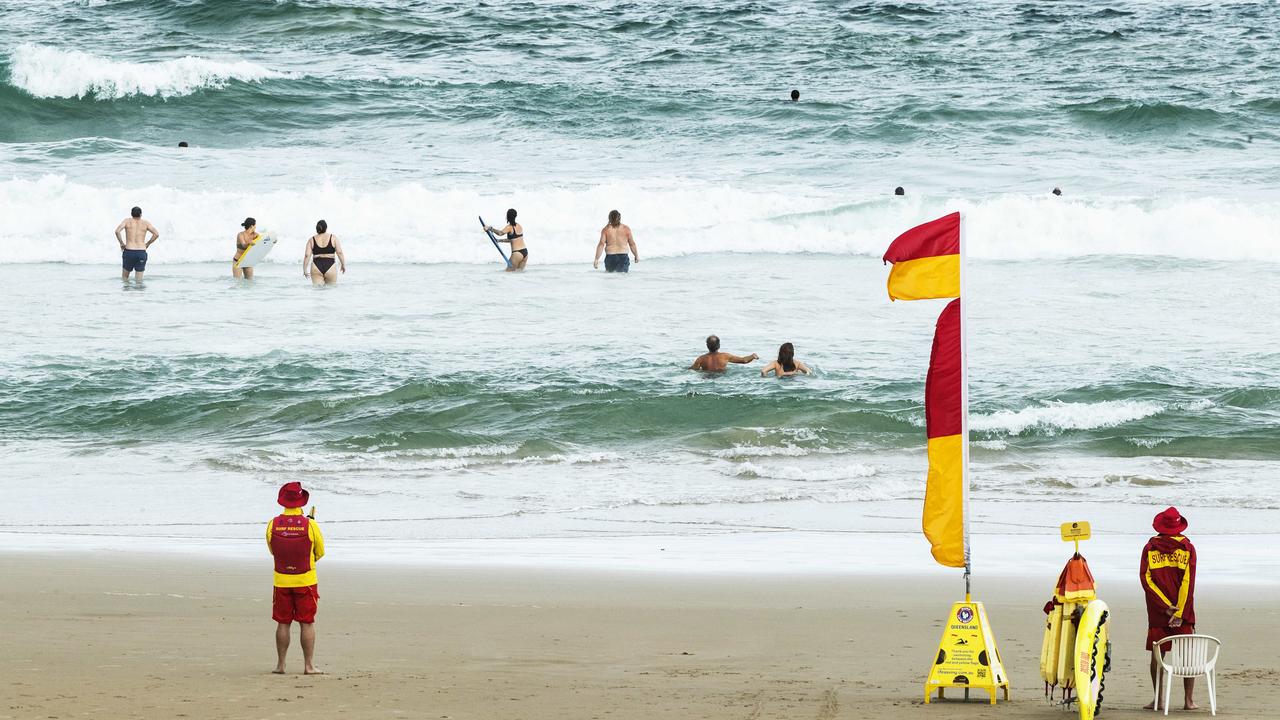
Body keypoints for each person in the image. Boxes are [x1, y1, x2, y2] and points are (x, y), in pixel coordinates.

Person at [1141, 507, 1198, 711]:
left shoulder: (1150, 548)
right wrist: (1180, 611)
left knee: (1158, 656)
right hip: (1183, 613)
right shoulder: (1187, 548)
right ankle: (1188, 701)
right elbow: (1188, 582)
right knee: (1188, 656)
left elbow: (1146, 580)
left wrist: (1166, 607)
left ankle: (1158, 699)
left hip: (1158, 612)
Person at [267, 481, 325, 675]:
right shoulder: (311, 525)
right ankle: (309, 666)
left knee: (283, 622)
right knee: (306, 622)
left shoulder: (272, 524)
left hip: (281, 580)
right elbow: (320, 553)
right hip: (306, 581)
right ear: (301, 501)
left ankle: (280, 665)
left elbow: (273, 550)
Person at [114, 206, 159, 282]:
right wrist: (148, 244)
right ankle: (138, 293)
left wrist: (121, 243)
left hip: (129, 251)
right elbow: (156, 234)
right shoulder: (146, 223)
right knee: (139, 281)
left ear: (131, 214)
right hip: (141, 252)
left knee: (125, 278)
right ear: (141, 214)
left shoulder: (127, 221)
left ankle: (126, 293)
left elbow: (117, 231)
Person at [303, 219, 346, 285]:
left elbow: (307, 255)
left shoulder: (311, 240)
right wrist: (343, 265)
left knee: (318, 291)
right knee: (331, 291)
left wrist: (305, 270)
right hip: (330, 266)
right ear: (326, 228)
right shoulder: (333, 238)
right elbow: (339, 252)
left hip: (316, 267)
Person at [689, 335, 757, 371]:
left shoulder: (701, 359)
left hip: (707, 378)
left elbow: (694, 369)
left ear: (707, 346)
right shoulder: (725, 356)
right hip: (721, 378)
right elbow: (744, 360)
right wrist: (752, 356)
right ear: (719, 345)